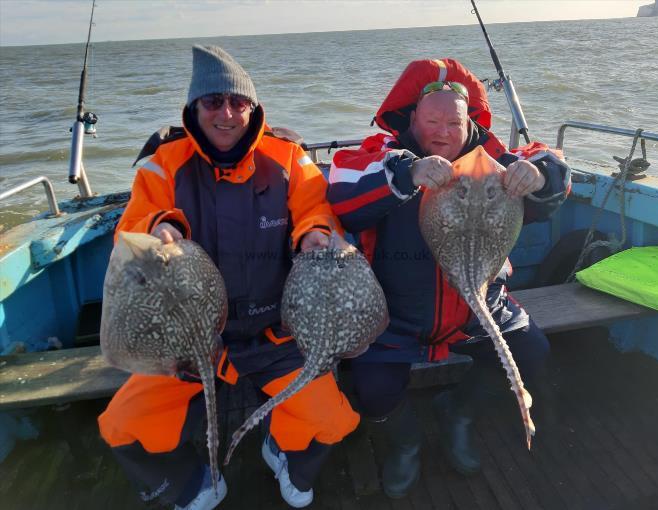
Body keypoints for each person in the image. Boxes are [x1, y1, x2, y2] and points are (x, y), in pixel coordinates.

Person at [98, 45, 359, 510]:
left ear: (253, 108)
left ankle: (282, 447)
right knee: (122, 425)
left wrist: (316, 234)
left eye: (238, 102)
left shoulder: (288, 158)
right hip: (187, 339)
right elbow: (131, 230)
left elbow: (315, 208)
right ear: (194, 109)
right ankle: (191, 482)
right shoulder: (164, 164)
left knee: (334, 420)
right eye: (213, 102)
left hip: (276, 334)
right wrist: (160, 225)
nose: (226, 113)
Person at [327, 58, 571, 498]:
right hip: (396, 312)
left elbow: (550, 164)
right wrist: (406, 173)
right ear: (412, 118)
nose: (441, 131)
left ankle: (457, 413)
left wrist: (538, 175)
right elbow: (343, 188)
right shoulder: (383, 155)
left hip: (479, 298)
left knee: (531, 350)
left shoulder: (494, 157)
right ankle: (405, 443)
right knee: (372, 386)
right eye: (431, 120)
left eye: (453, 122)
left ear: (469, 121)